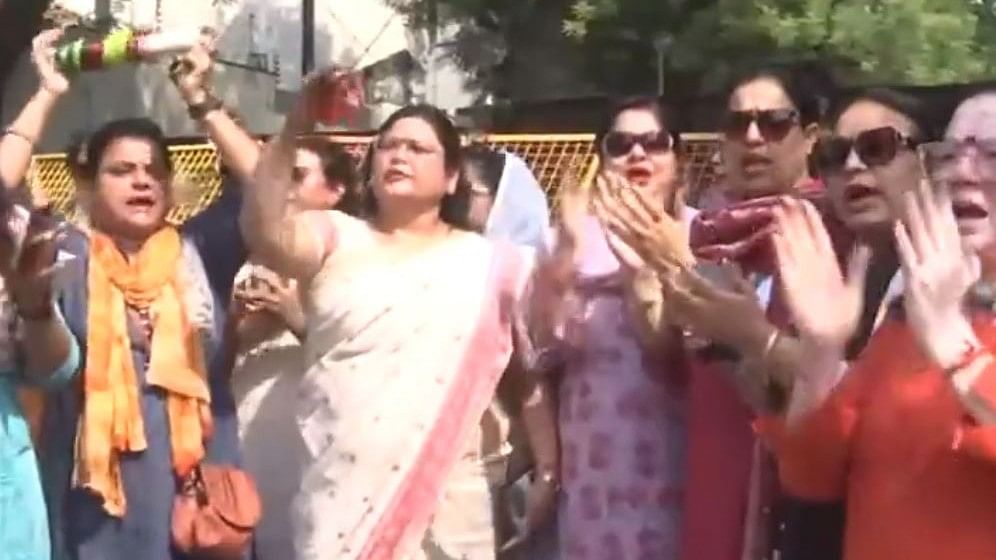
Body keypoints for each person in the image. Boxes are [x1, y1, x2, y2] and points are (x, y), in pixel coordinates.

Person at [241, 73, 556, 559]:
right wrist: (296, 125)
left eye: (416, 148)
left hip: (449, 513)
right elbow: (264, 232)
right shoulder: (333, 236)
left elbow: (530, 376)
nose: (398, 156)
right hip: (340, 506)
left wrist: (549, 468)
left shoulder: (495, 265)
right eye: (387, 146)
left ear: (451, 176)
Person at [12, 32, 251, 560]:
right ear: (90, 186)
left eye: (154, 171)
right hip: (94, 509)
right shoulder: (64, 255)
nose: (142, 181)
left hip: (200, 504)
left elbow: (261, 185)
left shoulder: (200, 250)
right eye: (121, 170)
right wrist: (49, 89)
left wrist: (199, 97)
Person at [756, 91, 996, 560]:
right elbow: (811, 476)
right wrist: (822, 351)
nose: (962, 172)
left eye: (994, 153)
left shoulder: (936, 320)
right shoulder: (908, 313)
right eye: (947, 155)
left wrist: (956, 350)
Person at [540, 96, 692, 560]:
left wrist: (646, 272)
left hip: (679, 454)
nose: (637, 155)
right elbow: (543, 348)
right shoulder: (570, 238)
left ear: (679, 159)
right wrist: (566, 251)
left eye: (654, 143)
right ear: (602, 158)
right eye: (620, 144)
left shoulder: (699, 234)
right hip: (594, 466)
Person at [228, 137, 360, 560]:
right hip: (247, 438)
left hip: (315, 446)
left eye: (299, 176)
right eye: (280, 175)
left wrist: (296, 318)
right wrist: (241, 327)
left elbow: (365, 357)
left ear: (335, 191)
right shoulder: (245, 254)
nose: (285, 188)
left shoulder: (354, 259)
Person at [460, 145, 559, 559]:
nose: (451, 201)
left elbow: (527, 379)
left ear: (499, 198)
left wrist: (546, 467)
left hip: (504, 466)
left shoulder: (520, 272)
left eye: (466, 192)